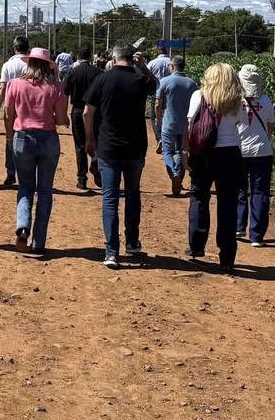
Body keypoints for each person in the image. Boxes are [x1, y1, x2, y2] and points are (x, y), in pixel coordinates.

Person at [82, 44, 159, 269]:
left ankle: (111, 251)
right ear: (132, 59)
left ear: (114, 58)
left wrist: (89, 139)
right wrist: (143, 65)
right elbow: (156, 85)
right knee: (133, 195)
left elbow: (88, 112)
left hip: (108, 148)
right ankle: (133, 243)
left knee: (110, 198)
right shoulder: (140, 80)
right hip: (135, 148)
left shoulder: (103, 79)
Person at [2, 46, 68, 255]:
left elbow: (8, 114)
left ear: (29, 63)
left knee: (25, 187)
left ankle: (23, 225)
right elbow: (60, 119)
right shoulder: (56, 86)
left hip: (22, 137)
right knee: (45, 190)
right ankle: (39, 241)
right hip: (48, 138)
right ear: (48, 65)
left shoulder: (15, 84)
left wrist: (10, 137)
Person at [185, 62, 244, 271]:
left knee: (199, 195)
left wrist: (186, 153)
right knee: (228, 203)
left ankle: (196, 245)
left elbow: (191, 124)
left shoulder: (199, 96)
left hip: (204, 153)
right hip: (230, 153)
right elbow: (240, 124)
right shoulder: (237, 100)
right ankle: (227, 256)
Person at [234, 63, 275, 247]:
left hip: (239, 150)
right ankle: (257, 235)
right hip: (262, 151)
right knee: (260, 192)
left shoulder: (235, 100)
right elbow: (270, 127)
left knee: (239, 188)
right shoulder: (266, 101)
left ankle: (238, 226)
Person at [154, 55, 198, 196]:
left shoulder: (165, 81)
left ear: (172, 67)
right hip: (185, 125)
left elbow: (157, 103)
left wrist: (158, 120)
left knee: (167, 152)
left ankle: (174, 174)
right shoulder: (192, 84)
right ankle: (179, 175)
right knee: (180, 151)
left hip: (169, 123)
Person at [60, 45, 100, 190]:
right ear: (90, 57)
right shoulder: (98, 72)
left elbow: (65, 93)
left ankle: (82, 178)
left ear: (78, 57)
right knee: (96, 140)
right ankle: (96, 164)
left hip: (77, 110)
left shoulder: (72, 72)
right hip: (95, 111)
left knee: (79, 145)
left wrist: (64, 114)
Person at [0, 35, 31, 186]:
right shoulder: (31, 64)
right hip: (26, 107)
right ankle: (24, 172)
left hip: (10, 107)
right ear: (27, 48)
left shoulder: (7, 65)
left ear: (14, 48)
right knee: (24, 138)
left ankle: (10, 173)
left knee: (10, 139)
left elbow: (2, 87)